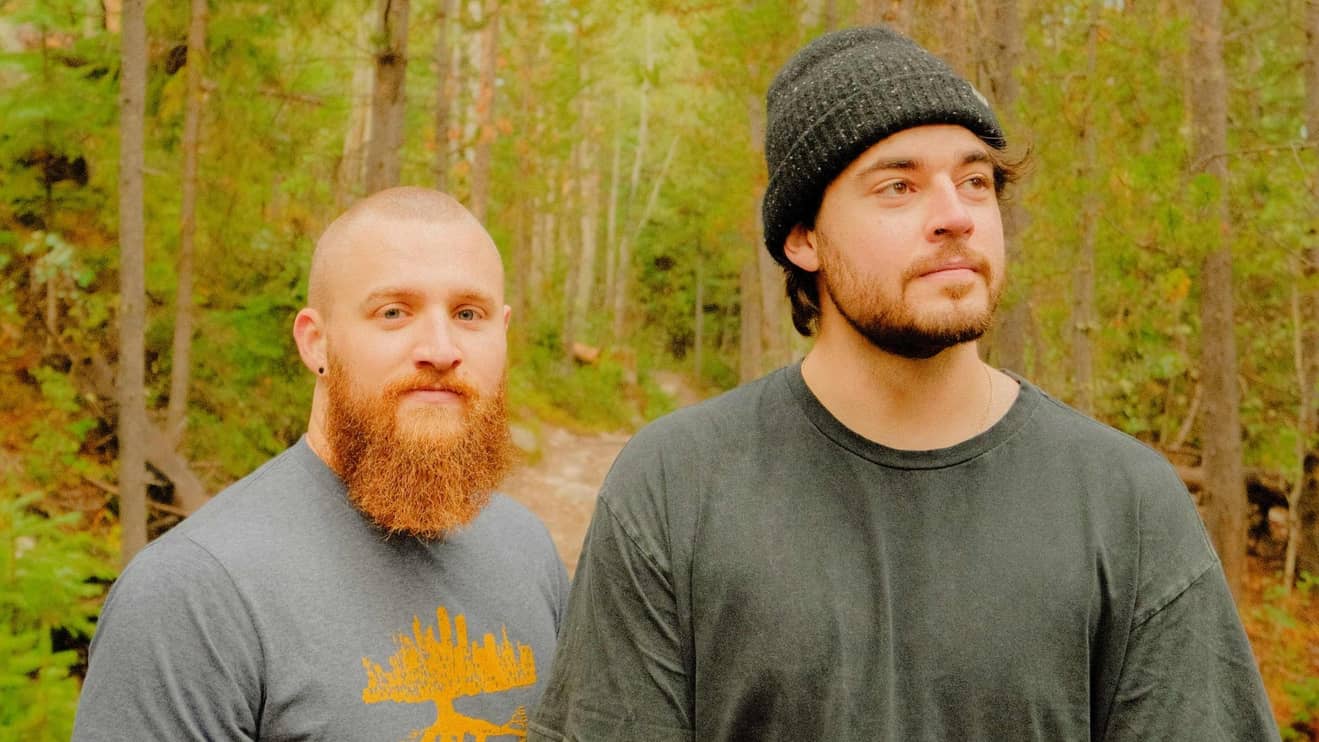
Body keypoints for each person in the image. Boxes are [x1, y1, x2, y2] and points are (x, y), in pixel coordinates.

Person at [529, 26, 1279, 741]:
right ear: (803, 237)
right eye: (898, 186)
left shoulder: (1125, 504)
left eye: (975, 181)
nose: (955, 216)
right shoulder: (676, 487)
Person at [74, 187, 568, 741]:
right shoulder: (191, 595)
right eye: (393, 312)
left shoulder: (528, 551)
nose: (439, 348)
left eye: (468, 314)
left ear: (503, 333)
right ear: (316, 343)